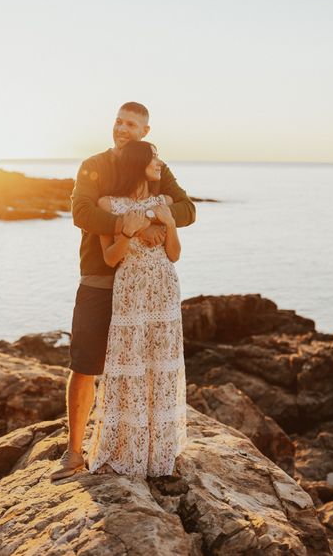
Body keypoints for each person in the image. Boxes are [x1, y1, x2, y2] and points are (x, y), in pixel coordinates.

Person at [50, 101, 195, 480]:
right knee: (85, 364)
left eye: (131, 124)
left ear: (144, 131)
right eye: (118, 120)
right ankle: (74, 450)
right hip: (101, 280)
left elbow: (187, 209)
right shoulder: (94, 166)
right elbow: (81, 213)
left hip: (147, 290)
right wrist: (127, 226)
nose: (121, 128)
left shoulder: (153, 166)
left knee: (143, 368)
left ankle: (143, 448)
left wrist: (152, 220)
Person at [87, 140, 187, 476]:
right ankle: (127, 449)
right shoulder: (108, 204)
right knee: (129, 362)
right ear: (138, 163)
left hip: (163, 289)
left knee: (161, 367)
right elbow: (110, 258)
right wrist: (128, 233)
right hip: (130, 291)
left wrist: (168, 224)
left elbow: (174, 254)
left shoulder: (163, 203)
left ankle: (159, 451)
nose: (160, 163)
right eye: (154, 157)